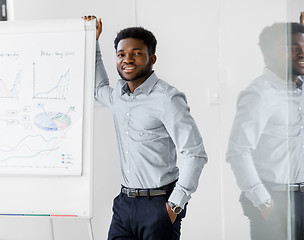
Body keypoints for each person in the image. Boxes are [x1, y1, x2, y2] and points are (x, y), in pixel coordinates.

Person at [82, 16, 207, 240]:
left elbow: (195, 153)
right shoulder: (118, 98)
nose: (127, 59)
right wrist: (94, 39)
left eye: (136, 53)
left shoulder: (167, 99)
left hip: (159, 205)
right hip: (124, 204)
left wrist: (175, 206)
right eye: (121, 55)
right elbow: (98, 86)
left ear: (152, 58)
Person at [226, 21, 304, 239]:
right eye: (291, 48)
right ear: (268, 55)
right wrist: (264, 202)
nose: (301, 53)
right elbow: (238, 152)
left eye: (303, 46)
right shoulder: (260, 94)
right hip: (277, 199)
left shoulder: (301, 88)